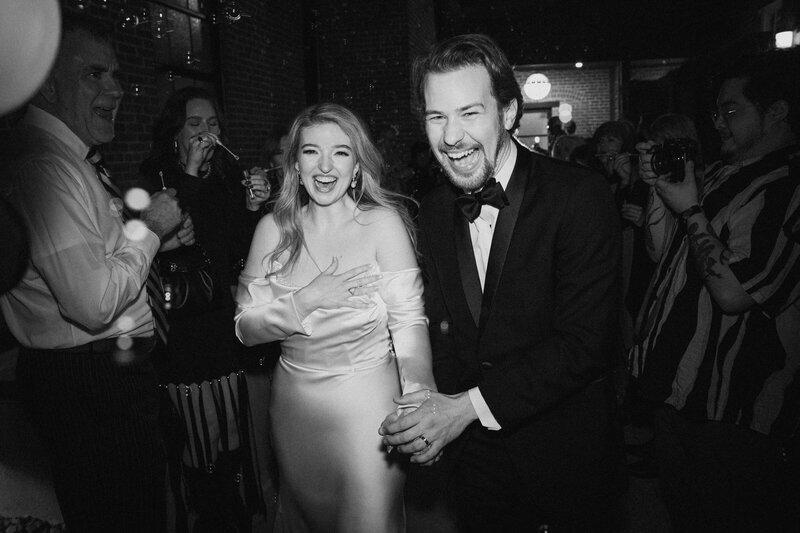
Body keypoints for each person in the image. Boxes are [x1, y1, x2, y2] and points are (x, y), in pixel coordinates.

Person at [379, 34, 625, 532]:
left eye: (469, 113)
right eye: (436, 117)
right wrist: (430, 421)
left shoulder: (579, 196)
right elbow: (444, 332)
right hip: (476, 467)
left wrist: (461, 410)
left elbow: (584, 344)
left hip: (565, 460)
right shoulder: (430, 212)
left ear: (509, 112)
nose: (451, 137)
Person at [0, 14, 186, 532]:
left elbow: (94, 257)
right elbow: (92, 302)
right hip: (90, 385)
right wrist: (149, 229)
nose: (117, 88)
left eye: (116, 74)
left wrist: (154, 235)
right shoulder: (43, 165)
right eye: (95, 74)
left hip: (106, 378)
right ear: (48, 85)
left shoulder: (70, 158)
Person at [234, 102, 436, 532]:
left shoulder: (383, 224)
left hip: (369, 411)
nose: (325, 166)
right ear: (295, 164)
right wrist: (307, 298)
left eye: (341, 152)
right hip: (294, 409)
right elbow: (245, 329)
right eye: (311, 152)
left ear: (358, 165)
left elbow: (409, 323)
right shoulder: (272, 229)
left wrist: (419, 394)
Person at [629, 52, 800, 533]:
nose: (719, 123)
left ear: (777, 112)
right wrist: (659, 191)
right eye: (716, 113)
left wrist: (691, 212)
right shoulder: (724, 174)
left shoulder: (787, 187)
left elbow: (733, 293)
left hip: (732, 412)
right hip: (675, 393)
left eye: (732, 110)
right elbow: (662, 254)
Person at [138, 86, 272, 532]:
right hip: (182, 327)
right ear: (175, 132)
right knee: (198, 440)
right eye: (195, 124)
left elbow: (240, 250)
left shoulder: (225, 178)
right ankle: (206, 516)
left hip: (221, 322)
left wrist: (253, 206)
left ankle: (230, 515)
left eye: (213, 124)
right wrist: (191, 174)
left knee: (232, 434)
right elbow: (165, 238)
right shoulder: (152, 180)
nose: (206, 133)